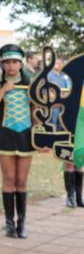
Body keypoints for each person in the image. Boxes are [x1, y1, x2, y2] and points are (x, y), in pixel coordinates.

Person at [0, 44, 35, 239]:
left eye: (15, 62)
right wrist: (3, 90)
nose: (11, 66)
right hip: (5, 135)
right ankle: (8, 223)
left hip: (26, 136)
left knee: (21, 181)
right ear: (3, 65)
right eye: (7, 62)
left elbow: (36, 114)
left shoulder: (31, 87)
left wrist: (43, 137)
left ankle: (22, 223)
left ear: (21, 64)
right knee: (9, 180)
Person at [45, 58, 82, 208]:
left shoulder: (68, 81)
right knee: (69, 161)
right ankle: (70, 196)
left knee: (80, 163)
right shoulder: (68, 86)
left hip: (81, 127)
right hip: (67, 126)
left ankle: (79, 196)